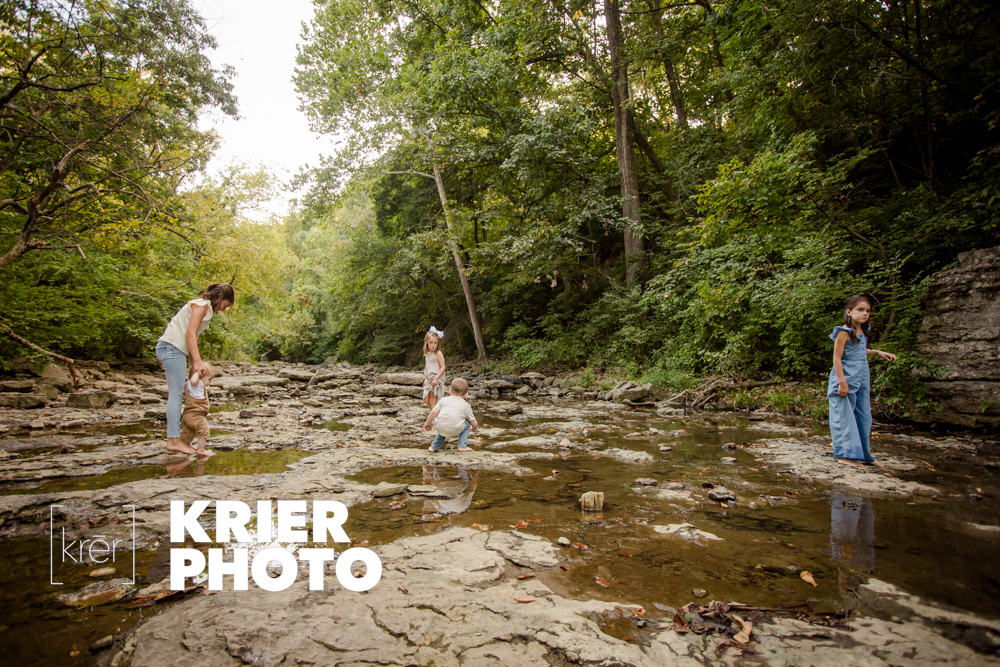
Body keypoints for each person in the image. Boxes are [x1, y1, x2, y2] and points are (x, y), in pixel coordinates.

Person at [155, 283, 234, 456]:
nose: (223, 309)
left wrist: (194, 365)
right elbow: (189, 333)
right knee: (176, 394)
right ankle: (174, 441)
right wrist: (197, 362)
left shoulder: (203, 307)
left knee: (178, 394)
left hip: (174, 349)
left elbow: (194, 338)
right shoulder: (202, 305)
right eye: (225, 305)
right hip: (171, 348)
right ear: (220, 298)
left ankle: (178, 440)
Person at [828, 295, 897, 467]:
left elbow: (858, 352)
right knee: (844, 416)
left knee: (863, 416)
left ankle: (864, 455)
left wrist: (878, 352)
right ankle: (845, 455)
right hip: (845, 377)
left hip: (861, 377)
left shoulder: (862, 331)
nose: (865, 314)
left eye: (867, 311)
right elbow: (837, 358)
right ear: (849, 312)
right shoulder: (843, 332)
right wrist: (842, 381)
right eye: (860, 310)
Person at [424, 377, 478, 452]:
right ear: (466, 394)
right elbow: (474, 422)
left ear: (450, 391)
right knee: (467, 425)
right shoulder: (466, 405)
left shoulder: (443, 400)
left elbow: (433, 412)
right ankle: (462, 446)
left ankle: (434, 447)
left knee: (443, 423)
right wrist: (474, 428)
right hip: (456, 429)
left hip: (440, 427)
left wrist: (427, 423)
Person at [180, 363, 215, 457]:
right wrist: (197, 372)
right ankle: (201, 449)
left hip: (187, 414)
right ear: (201, 376)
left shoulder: (190, 386)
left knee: (188, 431)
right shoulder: (196, 384)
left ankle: (185, 443)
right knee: (204, 430)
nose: (209, 382)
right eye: (209, 379)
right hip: (196, 415)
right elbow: (193, 381)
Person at [422, 326, 446, 410]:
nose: (433, 345)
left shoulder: (438, 353)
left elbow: (443, 367)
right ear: (427, 343)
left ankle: (434, 420)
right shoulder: (427, 353)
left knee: (433, 401)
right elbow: (427, 367)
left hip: (436, 378)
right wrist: (425, 379)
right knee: (425, 399)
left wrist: (436, 378)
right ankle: (435, 415)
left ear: (438, 343)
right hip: (429, 378)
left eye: (435, 343)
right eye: (431, 343)